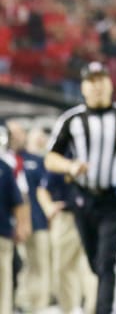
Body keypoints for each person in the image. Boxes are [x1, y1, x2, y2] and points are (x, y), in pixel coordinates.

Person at [44, 61, 116, 314]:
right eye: (91, 81)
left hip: (114, 199)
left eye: (101, 80)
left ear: (110, 84)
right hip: (83, 199)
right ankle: (115, 302)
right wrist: (70, 166)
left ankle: (107, 309)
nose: (97, 86)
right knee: (96, 262)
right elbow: (50, 158)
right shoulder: (72, 119)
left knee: (108, 262)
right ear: (83, 87)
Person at [39, 165, 96, 313]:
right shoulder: (62, 158)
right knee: (63, 267)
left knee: (93, 266)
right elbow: (43, 189)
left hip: (94, 214)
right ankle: (68, 309)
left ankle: (94, 308)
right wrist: (49, 207)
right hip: (67, 217)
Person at [17, 127, 51, 314]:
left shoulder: (41, 161)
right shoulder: (14, 160)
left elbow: (47, 191)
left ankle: (40, 304)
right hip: (19, 223)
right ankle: (23, 301)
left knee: (41, 264)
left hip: (40, 221)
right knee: (24, 264)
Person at [0, 125, 31, 314]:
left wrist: (21, 225)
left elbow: (18, 201)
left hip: (2, 232)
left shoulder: (5, 167)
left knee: (3, 278)